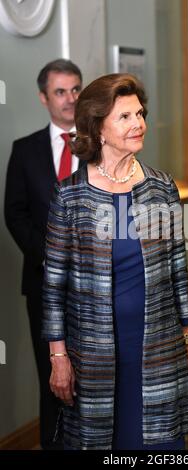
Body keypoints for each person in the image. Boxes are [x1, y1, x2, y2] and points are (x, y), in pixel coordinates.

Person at [41, 73, 188, 450]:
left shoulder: (162, 187)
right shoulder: (70, 196)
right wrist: (58, 356)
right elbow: (53, 286)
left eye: (140, 114)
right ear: (98, 128)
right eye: (125, 117)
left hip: (159, 350)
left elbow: (178, 270)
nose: (138, 124)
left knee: (159, 445)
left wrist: (186, 343)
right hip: (93, 355)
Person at [4, 59, 83, 450]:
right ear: (43, 97)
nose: (70, 100)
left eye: (75, 90)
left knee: (98, 376)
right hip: (43, 283)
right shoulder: (24, 150)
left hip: (97, 285)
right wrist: (50, 256)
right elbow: (14, 213)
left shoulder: (103, 144)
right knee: (53, 376)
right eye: (60, 92)